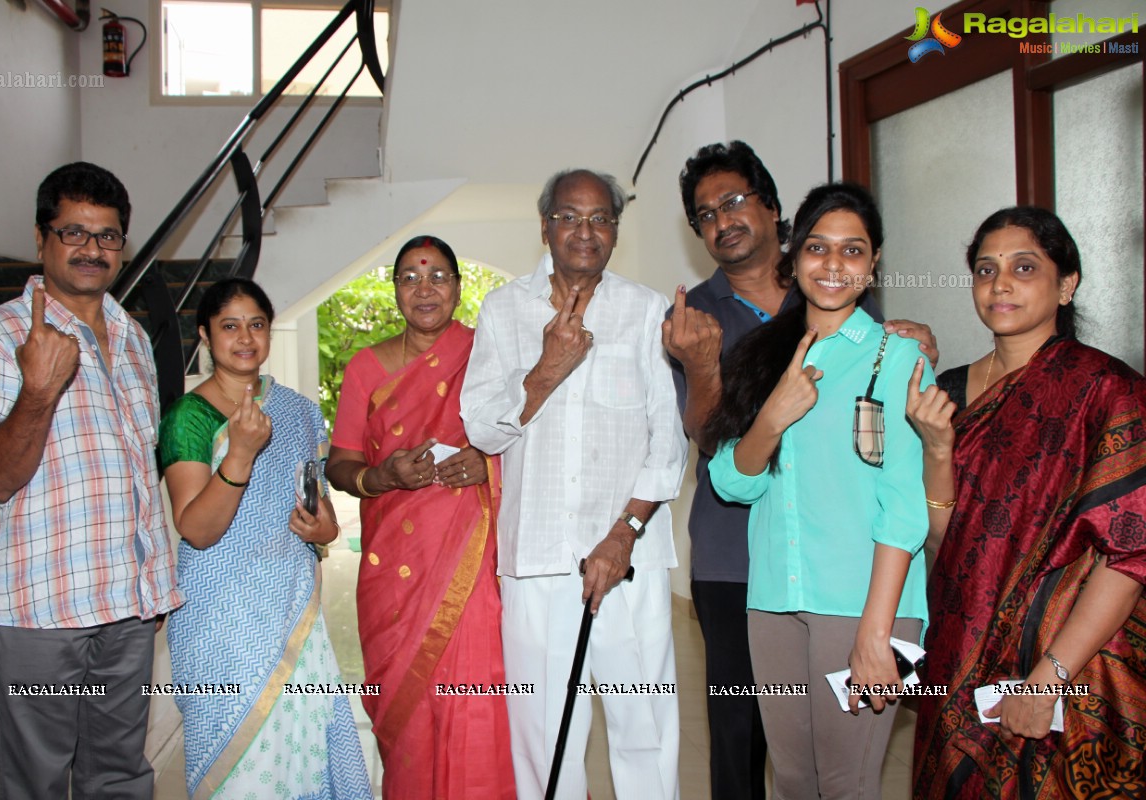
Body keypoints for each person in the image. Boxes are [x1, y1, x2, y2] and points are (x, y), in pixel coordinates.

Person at [663, 141, 939, 799]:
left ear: (873, 265)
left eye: (852, 250)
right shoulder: (744, 346)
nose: (833, 264)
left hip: (859, 596)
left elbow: (901, 499)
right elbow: (728, 472)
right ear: (797, 254)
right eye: (819, 247)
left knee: (845, 781)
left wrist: (878, 629)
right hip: (765, 588)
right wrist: (766, 413)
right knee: (784, 772)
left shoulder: (889, 352)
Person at [0, 161, 183, 799]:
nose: (91, 249)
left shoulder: (135, 338)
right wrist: (38, 391)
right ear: (41, 238)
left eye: (107, 236)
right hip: (41, 610)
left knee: (121, 775)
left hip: (125, 607)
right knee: (38, 783)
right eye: (73, 232)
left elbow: (137, 470)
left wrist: (151, 584)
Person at [460, 169, 687, 799]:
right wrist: (545, 371)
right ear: (544, 226)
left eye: (600, 219)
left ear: (615, 230)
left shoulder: (644, 312)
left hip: (627, 560)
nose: (585, 231)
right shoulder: (504, 310)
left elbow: (665, 441)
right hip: (535, 559)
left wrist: (624, 534)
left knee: (644, 729)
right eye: (569, 217)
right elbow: (482, 431)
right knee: (543, 736)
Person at [909, 207, 1146, 799]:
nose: (1001, 283)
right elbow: (943, 542)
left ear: (1067, 284)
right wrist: (938, 450)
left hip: (1074, 664)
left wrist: (1050, 679)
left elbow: (1130, 553)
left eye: (1024, 267)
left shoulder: (1109, 391)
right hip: (962, 651)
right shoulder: (950, 393)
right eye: (985, 269)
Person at [159, 278, 372, 799]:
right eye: (229, 326)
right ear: (205, 337)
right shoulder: (189, 417)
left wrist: (325, 529)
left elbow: (314, 502)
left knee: (304, 755)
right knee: (241, 764)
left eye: (256, 324)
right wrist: (239, 452)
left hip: (291, 607)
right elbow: (197, 529)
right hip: (221, 621)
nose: (245, 338)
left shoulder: (297, 411)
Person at [324, 235, 515, 798]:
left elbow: (529, 444)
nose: (424, 288)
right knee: (405, 703)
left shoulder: (490, 358)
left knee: (476, 689)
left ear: (457, 288)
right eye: (409, 277)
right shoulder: (365, 368)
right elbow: (341, 465)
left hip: (474, 560)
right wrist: (383, 477)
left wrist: (486, 462)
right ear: (396, 290)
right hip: (394, 568)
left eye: (436, 277)